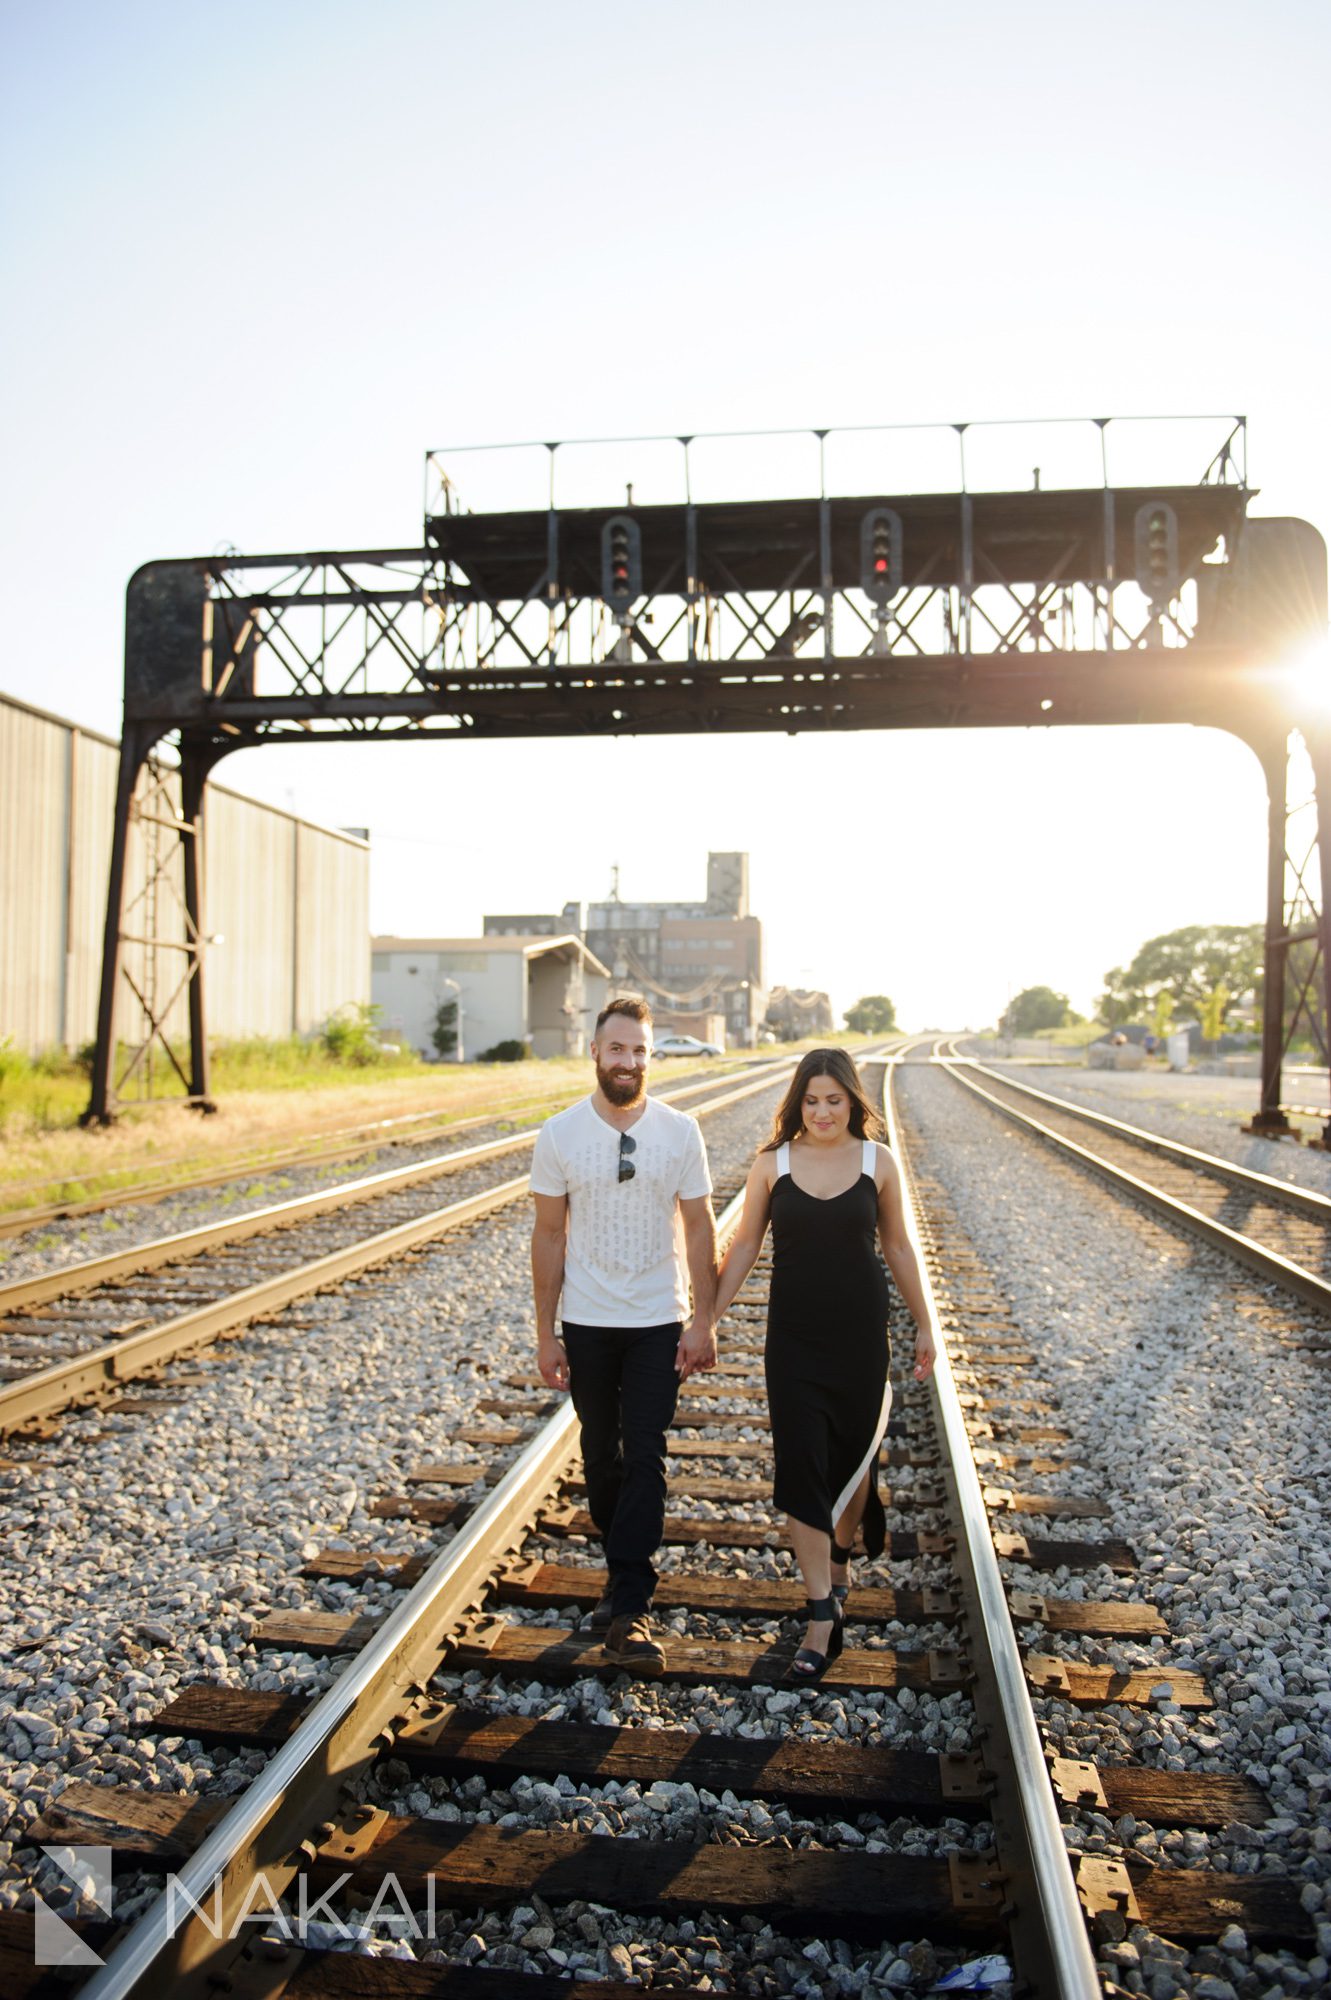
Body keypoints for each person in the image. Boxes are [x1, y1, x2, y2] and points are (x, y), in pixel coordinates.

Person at [714, 1047, 938, 1682]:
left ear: (852, 1101)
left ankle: (841, 1553)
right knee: (801, 1467)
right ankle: (820, 1613)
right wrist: (708, 1317)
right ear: (797, 1104)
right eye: (810, 1101)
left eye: (833, 1100)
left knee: (854, 1454)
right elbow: (747, 1246)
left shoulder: (878, 1162)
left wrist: (924, 1322)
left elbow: (896, 1244)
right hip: (793, 1341)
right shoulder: (772, 1165)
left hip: (861, 1336)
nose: (821, 1112)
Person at [531, 996, 718, 1674]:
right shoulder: (558, 1134)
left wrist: (703, 1319)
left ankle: (630, 1599)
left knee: (644, 1451)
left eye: (639, 1051)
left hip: (655, 1320)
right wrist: (545, 1333)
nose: (628, 1062)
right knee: (600, 1456)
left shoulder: (680, 1131)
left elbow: (700, 1226)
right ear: (594, 1053)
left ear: (649, 1057)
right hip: (586, 1321)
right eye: (617, 1050)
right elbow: (548, 1235)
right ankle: (620, 1568)